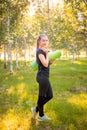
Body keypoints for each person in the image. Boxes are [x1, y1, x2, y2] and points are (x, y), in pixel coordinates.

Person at [31, 34, 53, 121]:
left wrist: (52, 59)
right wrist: (47, 54)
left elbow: (48, 64)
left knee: (50, 96)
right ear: (39, 41)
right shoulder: (39, 51)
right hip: (42, 77)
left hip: (45, 76)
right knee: (42, 97)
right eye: (43, 40)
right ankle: (41, 115)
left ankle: (36, 109)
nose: (45, 42)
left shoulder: (43, 51)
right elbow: (45, 64)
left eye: (46, 40)